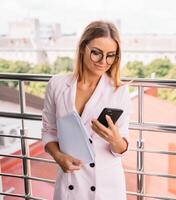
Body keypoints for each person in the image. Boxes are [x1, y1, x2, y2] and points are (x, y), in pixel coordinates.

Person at [41, 20, 132, 200]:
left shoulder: (119, 91)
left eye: (110, 55)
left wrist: (115, 140)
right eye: (96, 53)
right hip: (70, 182)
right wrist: (59, 157)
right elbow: (49, 131)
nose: (103, 62)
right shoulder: (57, 85)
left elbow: (122, 148)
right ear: (83, 48)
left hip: (106, 186)